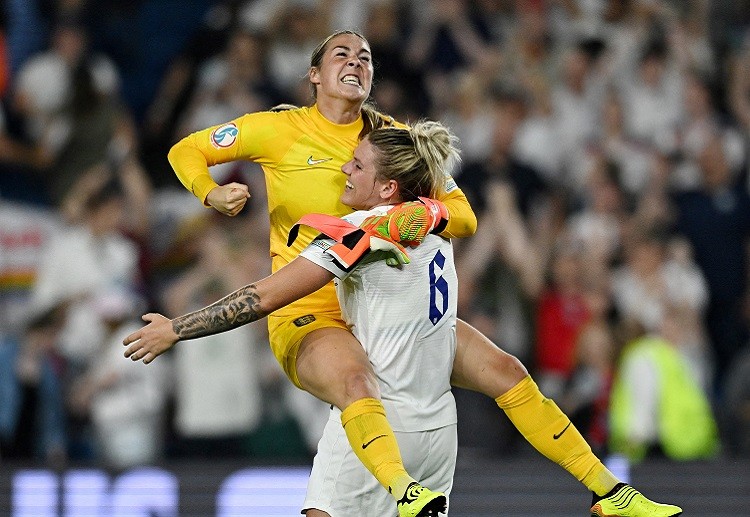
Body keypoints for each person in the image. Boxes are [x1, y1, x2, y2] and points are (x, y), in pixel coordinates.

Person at [162, 29, 682, 517]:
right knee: (355, 380)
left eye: (365, 56)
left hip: (387, 313)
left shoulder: (391, 142)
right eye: (341, 54)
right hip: (310, 309)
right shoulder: (276, 130)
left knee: (507, 372)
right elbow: (185, 149)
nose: (356, 62)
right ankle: (404, 490)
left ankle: (609, 491)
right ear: (314, 75)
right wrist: (209, 192)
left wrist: (424, 212)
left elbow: (465, 215)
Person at [125, 120, 459, 516]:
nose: (344, 171)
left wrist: (175, 329)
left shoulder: (360, 233)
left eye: (356, 165)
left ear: (387, 187)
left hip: (372, 420)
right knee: (507, 373)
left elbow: (261, 297)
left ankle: (403, 488)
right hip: (438, 425)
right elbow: (506, 372)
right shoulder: (438, 223)